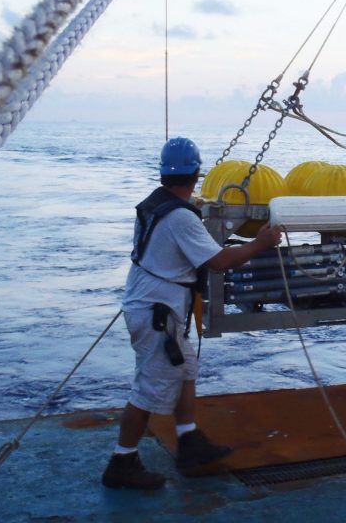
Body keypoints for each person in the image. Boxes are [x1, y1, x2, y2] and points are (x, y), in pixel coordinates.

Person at [102, 136, 282, 490]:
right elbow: (217, 262)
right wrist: (260, 243)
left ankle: (189, 441)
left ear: (163, 173)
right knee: (148, 388)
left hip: (154, 308)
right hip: (158, 315)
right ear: (197, 173)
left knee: (185, 368)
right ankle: (121, 461)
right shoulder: (181, 218)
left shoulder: (156, 205)